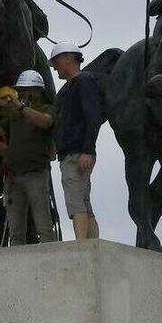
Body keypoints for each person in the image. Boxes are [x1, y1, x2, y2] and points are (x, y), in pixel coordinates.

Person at [0, 70, 58, 245]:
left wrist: (21, 107)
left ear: (37, 91)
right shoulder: (14, 116)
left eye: (25, 90)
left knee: (44, 226)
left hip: (36, 174)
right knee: (15, 230)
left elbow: (45, 122)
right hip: (14, 176)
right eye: (20, 90)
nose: (21, 94)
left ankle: (50, 259)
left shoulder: (47, 109)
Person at [49, 41, 103, 240]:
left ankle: (81, 244)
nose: (55, 68)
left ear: (67, 59)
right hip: (74, 152)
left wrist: (88, 150)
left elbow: (92, 116)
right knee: (83, 201)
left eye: (56, 62)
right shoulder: (71, 88)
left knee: (75, 202)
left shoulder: (83, 82)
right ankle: (91, 243)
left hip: (77, 152)